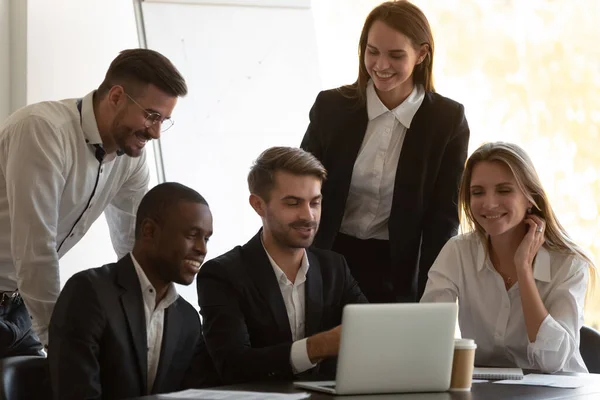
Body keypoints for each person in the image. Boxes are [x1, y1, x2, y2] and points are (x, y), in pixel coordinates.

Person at [0, 48, 187, 356]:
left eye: (164, 120)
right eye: (151, 116)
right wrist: (59, 340)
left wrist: (159, 328)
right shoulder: (42, 130)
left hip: (20, 305)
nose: (155, 132)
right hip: (28, 299)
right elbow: (36, 248)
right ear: (115, 96)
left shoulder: (131, 159)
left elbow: (135, 248)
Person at [301, 0, 470, 303]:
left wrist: (433, 294)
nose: (381, 65)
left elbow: (443, 219)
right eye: (372, 51)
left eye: (395, 55)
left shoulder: (447, 120)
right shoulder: (331, 107)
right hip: (326, 257)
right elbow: (300, 185)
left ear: (422, 54)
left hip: (397, 268)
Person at [197, 147, 367, 384]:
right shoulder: (222, 275)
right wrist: (317, 346)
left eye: (315, 202)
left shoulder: (334, 267)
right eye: (293, 203)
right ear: (258, 205)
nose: (308, 215)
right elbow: (234, 366)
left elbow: (370, 335)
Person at [421, 142, 594, 373]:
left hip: (557, 392)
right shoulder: (458, 252)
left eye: (504, 190)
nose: (489, 203)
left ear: (531, 197)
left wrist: (523, 269)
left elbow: (553, 361)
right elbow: (426, 336)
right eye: (478, 192)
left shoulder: (570, 264)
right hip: (485, 391)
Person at [49, 182, 220, 399]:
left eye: (206, 238)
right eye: (192, 235)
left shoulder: (188, 319)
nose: (202, 249)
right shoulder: (88, 292)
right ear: (149, 231)